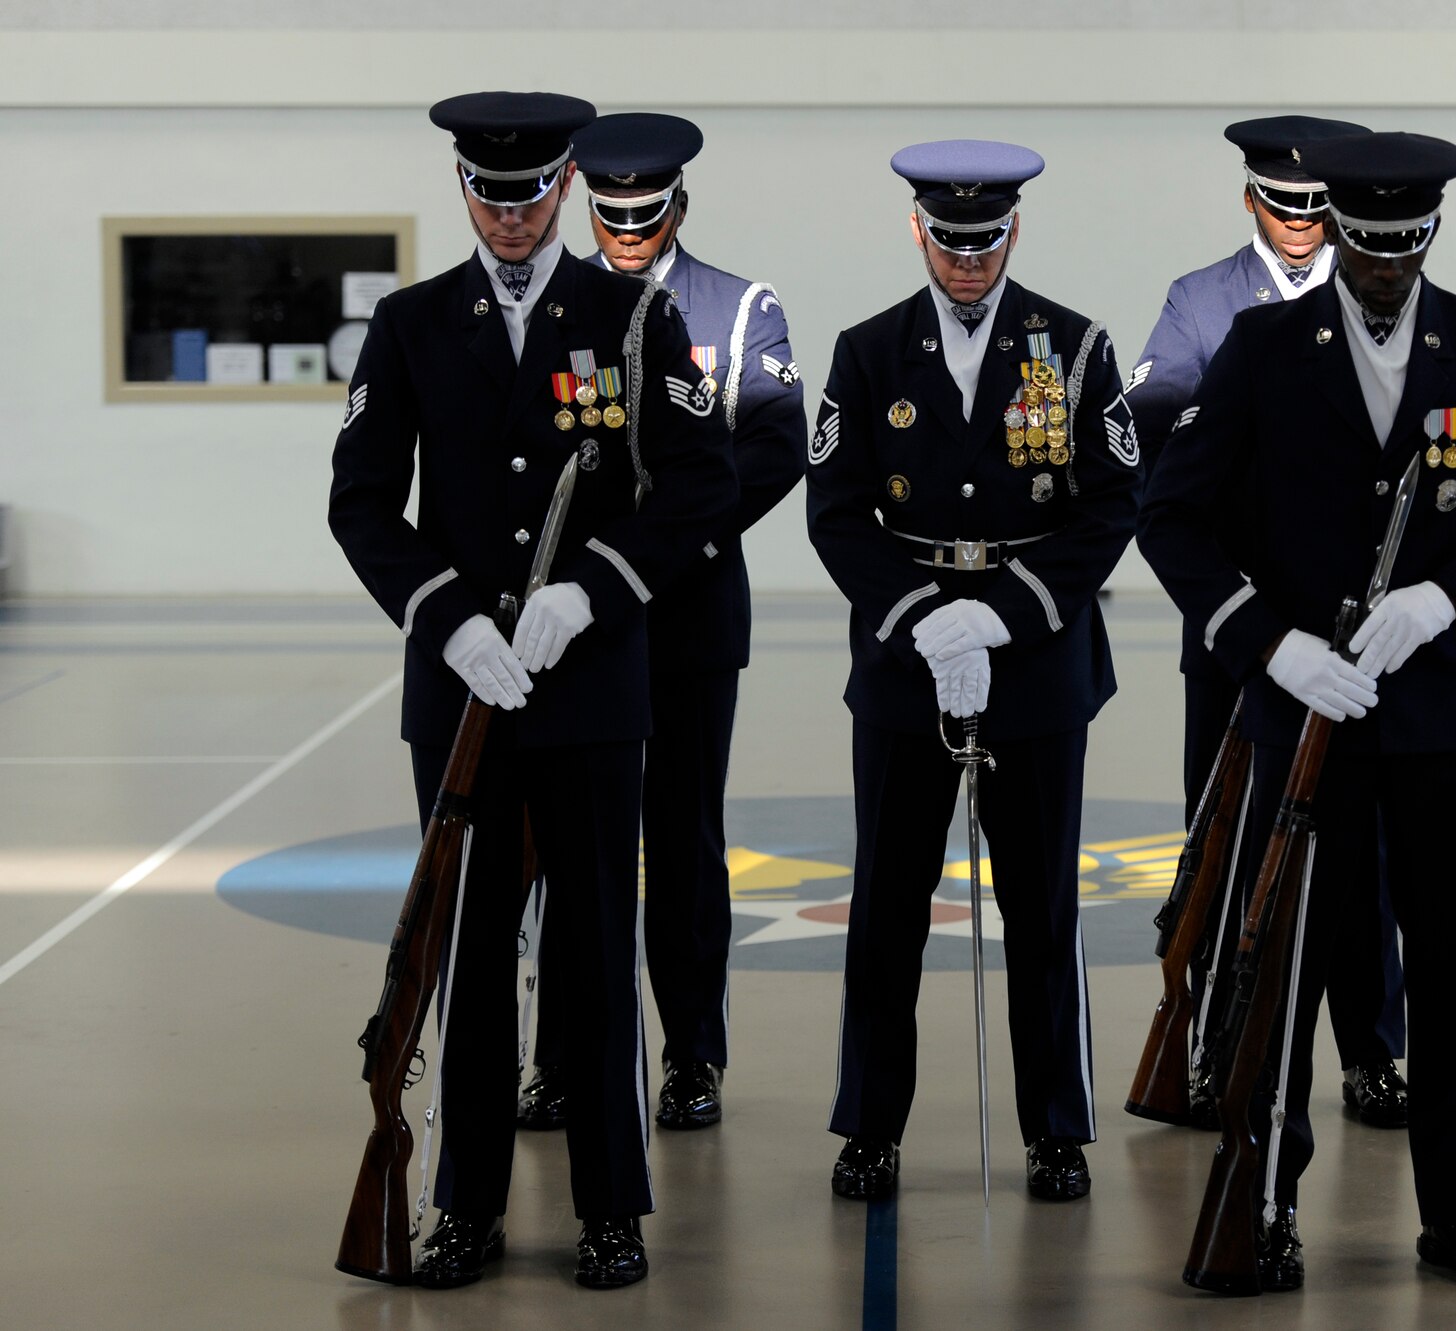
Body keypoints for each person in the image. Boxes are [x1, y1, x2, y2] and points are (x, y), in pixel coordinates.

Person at [1139, 130, 1456, 1293]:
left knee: (1451, 976)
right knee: (1280, 976)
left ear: (1431, 233)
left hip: (1438, 715)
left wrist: (1455, 596)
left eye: (1404, 246)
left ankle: (1455, 1214)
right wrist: (1268, 642)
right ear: (1336, 231)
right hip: (1302, 712)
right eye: (1365, 245)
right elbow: (1170, 516)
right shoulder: (1257, 346)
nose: (1383, 268)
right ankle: (1263, 1201)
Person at [328, 91, 737, 1290]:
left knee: (597, 950)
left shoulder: (631, 316)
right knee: (466, 953)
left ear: (564, 186)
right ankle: (466, 1204)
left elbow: (699, 481)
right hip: (460, 691)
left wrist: (594, 589)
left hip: (588, 684)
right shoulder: (408, 325)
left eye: (531, 195)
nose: (511, 218)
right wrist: (445, 616)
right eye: (489, 196)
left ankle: (611, 1206)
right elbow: (360, 502)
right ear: (465, 192)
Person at [805, 139, 1140, 1203]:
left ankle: (1055, 1126)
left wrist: (1000, 618)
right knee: (887, 905)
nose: (965, 260)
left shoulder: (1075, 348)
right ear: (918, 231)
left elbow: (1109, 506)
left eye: (984, 240)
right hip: (907, 663)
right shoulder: (865, 352)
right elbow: (834, 510)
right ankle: (868, 1124)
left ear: (1012, 232)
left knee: (1041, 905)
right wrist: (919, 619)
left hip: (1034, 661)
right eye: (947, 241)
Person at [514, 111, 807, 1134]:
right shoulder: (553, 305)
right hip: (578, 621)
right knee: (567, 845)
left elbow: (775, 447)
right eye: (611, 214)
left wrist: (660, 541)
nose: (628, 231)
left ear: (679, 204)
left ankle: (691, 1054)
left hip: (684, 611)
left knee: (682, 840)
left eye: (646, 214)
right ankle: (560, 1057)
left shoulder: (737, 309)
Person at [1128, 114, 1409, 1133]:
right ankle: (1213, 1043)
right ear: (1251, 201)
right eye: (1281, 205)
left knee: (1363, 850)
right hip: (1242, 623)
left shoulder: (1378, 298)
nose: (1298, 224)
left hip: (1354, 630)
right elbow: (1156, 435)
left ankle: (1372, 1050)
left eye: (1313, 209)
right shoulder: (1199, 303)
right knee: (1227, 842)